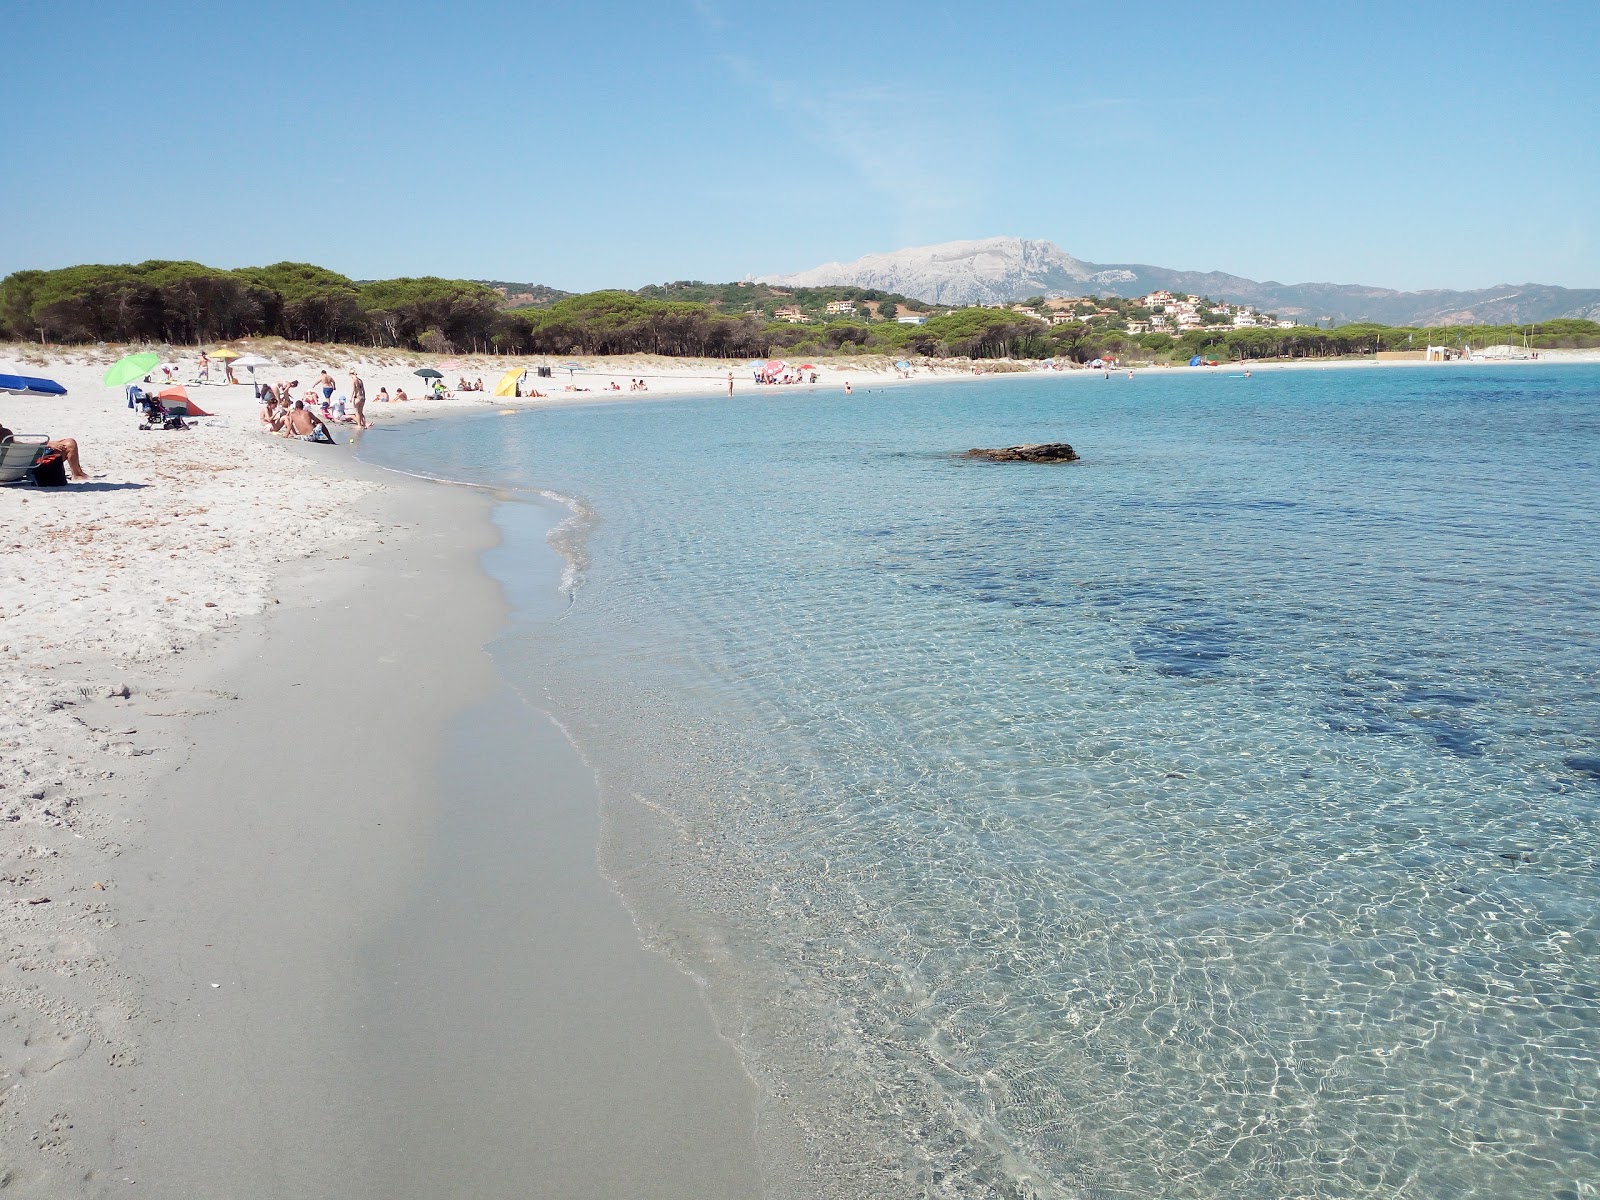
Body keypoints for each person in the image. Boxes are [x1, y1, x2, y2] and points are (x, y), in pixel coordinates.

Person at [0, 421, 91, 480]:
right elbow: (18, 448)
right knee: (70, 444)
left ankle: (78, 474)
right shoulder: (5, 433)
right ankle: (78, 474)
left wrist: (47, 444)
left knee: (68, 443)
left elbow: (16, 447)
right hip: (28, 468)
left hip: (10, 469)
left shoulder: (5, 437)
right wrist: (46, 444)